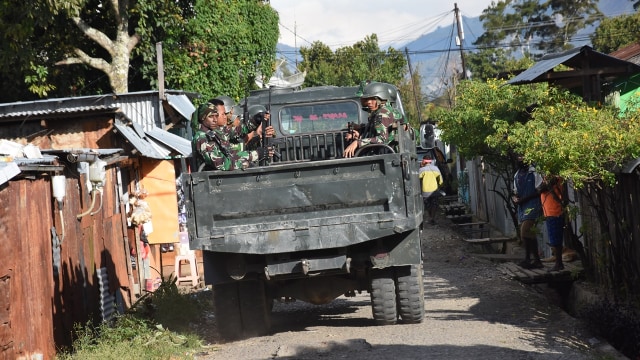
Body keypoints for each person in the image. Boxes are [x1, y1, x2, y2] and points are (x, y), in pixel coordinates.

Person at [192, 103, 272, 171]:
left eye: (216, 116)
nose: (215, 120)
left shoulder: (215, 131)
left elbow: (238, 131)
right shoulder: (201, 138)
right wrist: (254, 155)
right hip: (214, 181)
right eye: (211, 116)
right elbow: (220, 163)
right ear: (203, 118)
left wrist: (255, 120)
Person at [344, 82, 399, 158]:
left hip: (386, 156)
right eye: (367, 99)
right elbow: (376, 127)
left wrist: (358, 142)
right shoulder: (381, 112)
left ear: (380, 98)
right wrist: (360, 132)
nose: (369, 102)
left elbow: (382, 139)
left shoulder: (382, 114)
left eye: (372, 99)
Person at [512, 155, 543, 269]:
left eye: (523, 157)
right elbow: (515, 192)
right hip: (522, 207)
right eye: (519, 157)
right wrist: (515, 198)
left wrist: (526, 198)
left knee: (525, 231)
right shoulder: (516, 175)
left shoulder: (534, 172)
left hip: (533, 205)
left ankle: (528, 258)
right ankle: (535, 260)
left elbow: (539, 190)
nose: (520, 159)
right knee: (529, 233)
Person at [537, 175, 565, 272]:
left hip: (554, 211)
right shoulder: (548, 176)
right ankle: (558, 263)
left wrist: (544, 185)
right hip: (549, 211)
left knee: (556, 240)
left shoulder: (555, 177)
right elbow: (539, 189)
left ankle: (559, 263)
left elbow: (541, 188)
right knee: (554, 239)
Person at [419, 154, 443, 226]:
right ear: (431, 161)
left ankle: (430, 217)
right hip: (434, 190)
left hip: (425, 191)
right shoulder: (436, 169)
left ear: (424, 161)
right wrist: (439, 185)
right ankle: (432, 218)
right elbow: (440, 180)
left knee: (428, 205)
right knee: (434, 204)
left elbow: (418, 178)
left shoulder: (421, 170)